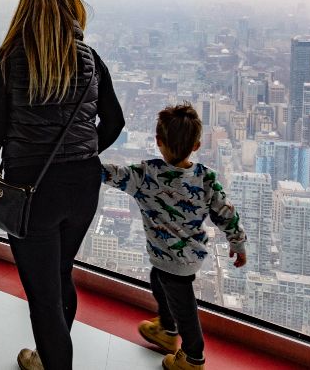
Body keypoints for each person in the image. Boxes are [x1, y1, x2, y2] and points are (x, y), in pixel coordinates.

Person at [0, 0, 126, 370]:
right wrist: (84, 155)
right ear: (71, 7)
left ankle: (53, 362)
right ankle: (47, 356)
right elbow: (115, 122)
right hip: (83, 186)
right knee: (60, 273)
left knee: (43, 297)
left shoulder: (7, 60)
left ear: (25, 10)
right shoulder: (91, 61)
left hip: (31, 188)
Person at [101, 103, 248, 370]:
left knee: (184, 307)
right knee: (157, 279)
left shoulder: (147, 174)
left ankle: (194, 358)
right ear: (197, 145)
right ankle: (167, 332)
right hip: (182, 255)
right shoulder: (205, 178)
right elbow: (226, 213)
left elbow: (113, 174)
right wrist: (237, 243)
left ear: (159, 142)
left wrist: (81, 163)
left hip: (174, 258)